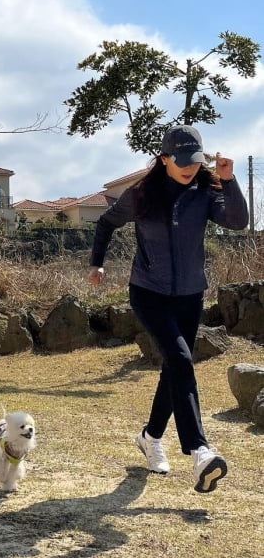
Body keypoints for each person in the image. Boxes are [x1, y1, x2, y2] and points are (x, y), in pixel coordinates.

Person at [87, 124, 248, 494]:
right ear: (164, 159)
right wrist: (97, 263)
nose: (189, 168)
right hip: (149, 291)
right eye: (181, 162)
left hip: (190, 295)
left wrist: (229, 179)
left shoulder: (207, 191)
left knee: (174, 368)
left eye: (194, 160)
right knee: (180, 360)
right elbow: (107, 222)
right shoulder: (143, 193)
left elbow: (238, 222)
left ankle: (150, 436)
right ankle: (199, 450)